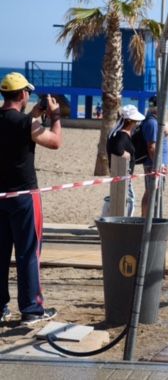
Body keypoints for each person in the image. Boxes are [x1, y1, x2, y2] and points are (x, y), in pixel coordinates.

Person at [0, 73, 62, 325]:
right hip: (24, 194)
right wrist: (55, 117)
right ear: (24, 94)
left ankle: (1, 308)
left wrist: (34, 114)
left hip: (0, 194)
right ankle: (31, 309)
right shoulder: (26, 124)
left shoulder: (23, 121)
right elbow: (55, 142)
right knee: (28, 252)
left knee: (1, 252)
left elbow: (18, 125)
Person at [106, 104, 145, 217]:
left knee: (119, 199)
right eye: (135, 121)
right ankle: (125, 221)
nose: (137, 123)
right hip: (123, 174)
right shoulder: (121, 135)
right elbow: (116, 148)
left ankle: (119, 220)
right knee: (130, 199)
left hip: (120, 173)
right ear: (129, 121)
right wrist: (126, 154)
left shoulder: (117, 132)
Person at [141, 96, 168, 218]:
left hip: (157, 163)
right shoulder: (152, 123)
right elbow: (151, 147)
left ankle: (149, 218)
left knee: (155, 192)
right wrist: (158, 165)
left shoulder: (155, 121)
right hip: (153, 164)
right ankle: (145, 219)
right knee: (151, 192)